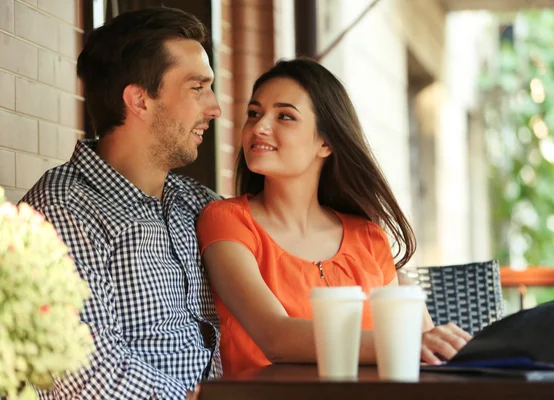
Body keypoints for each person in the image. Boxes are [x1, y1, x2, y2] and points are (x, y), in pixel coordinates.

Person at [196, 58, 473, 376]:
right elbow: (275, 337)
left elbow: (426, 353)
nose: (259, 127)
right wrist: (403, 342)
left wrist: (424, 342)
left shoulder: (368, 238)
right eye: (254, 114)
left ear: (325, 142)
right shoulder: (226, 221)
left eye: (285, 116)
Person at [21, 7, 221, 399]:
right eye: (197, 88)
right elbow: (86, 374)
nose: (213, 107)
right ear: (140, 101)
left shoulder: (199, 205)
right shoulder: (61, 211)